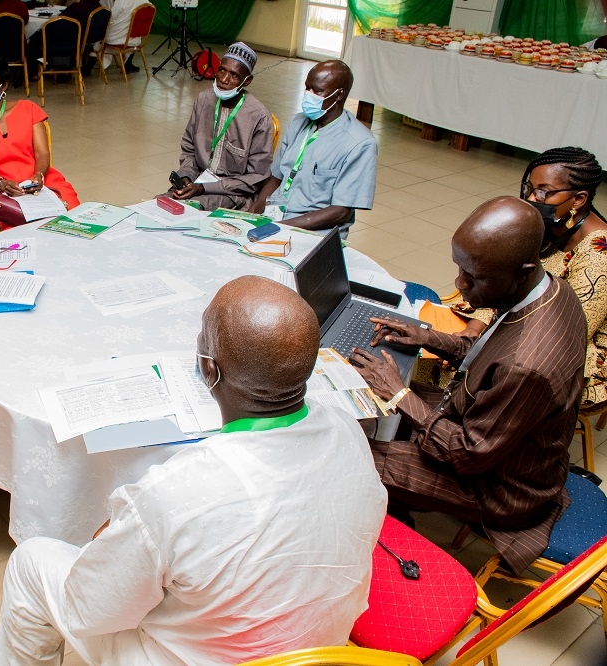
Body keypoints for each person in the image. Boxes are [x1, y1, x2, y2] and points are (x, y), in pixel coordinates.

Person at [0, 276, 388, 665]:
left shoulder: (174, 493)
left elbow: (88, 610)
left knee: (31, 561)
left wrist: (114, 539)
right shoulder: (347, 430)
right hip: (317, 652)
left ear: (208, 371)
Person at [349, 196, 587, 576]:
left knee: (350, 452)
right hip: (493, 433)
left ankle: (388, 535)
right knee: (399, 397)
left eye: (474, 278)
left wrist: (397, 393)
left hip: (500, 488)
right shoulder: (550, 289)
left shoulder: (526, 365)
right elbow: (489, 350)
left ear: (522, 269)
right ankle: (394, 505)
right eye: (460, 269)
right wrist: (426, 337)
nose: (460, 285)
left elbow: (468, 454)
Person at [250, 60, 377, 238]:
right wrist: (252, 213)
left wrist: (281, 227)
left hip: (314, 232)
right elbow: (276, 179)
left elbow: (341, 211)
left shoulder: (359, 143)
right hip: (276, 218)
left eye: (317, 91)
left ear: (339, 95)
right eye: (307, 88)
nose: (308, 95)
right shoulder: (298, 122)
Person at [523, 148, 607, 408]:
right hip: (531, 323)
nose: (531, 197)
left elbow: (570, 332)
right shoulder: (549, 224)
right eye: (529, 188)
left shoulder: (599, 253)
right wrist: (477, 325)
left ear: (579, 199)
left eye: (544, 192)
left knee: (474, 373)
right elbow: (509, 276)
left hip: (574, 349)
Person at [0, 51, 80, 211]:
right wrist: (2, 184)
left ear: (4, 86)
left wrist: (39, 176)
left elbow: (42, 154)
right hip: (8, 191)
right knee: (27, 228)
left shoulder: (28, 109)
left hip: (43, 182)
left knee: (73, 217)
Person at [169, 43, 273, 212]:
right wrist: (187, 176)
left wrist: (206, 188)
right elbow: (189, 148)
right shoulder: (204, 100)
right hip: (198, 181)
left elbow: (256, 177)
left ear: (247, 81)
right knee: (162, 203)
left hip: (233, 194)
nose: (224, 80)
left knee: (188, 210)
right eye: (222, 70)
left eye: (234, 75)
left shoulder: (258, 116)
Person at [98, 0, 142, 73]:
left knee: (101, 34)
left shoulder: (121, 1)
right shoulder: (145, 2)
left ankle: (89, 65)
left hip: (117, 38)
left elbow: (110, 17)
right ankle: (128, 63)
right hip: (135, 38)